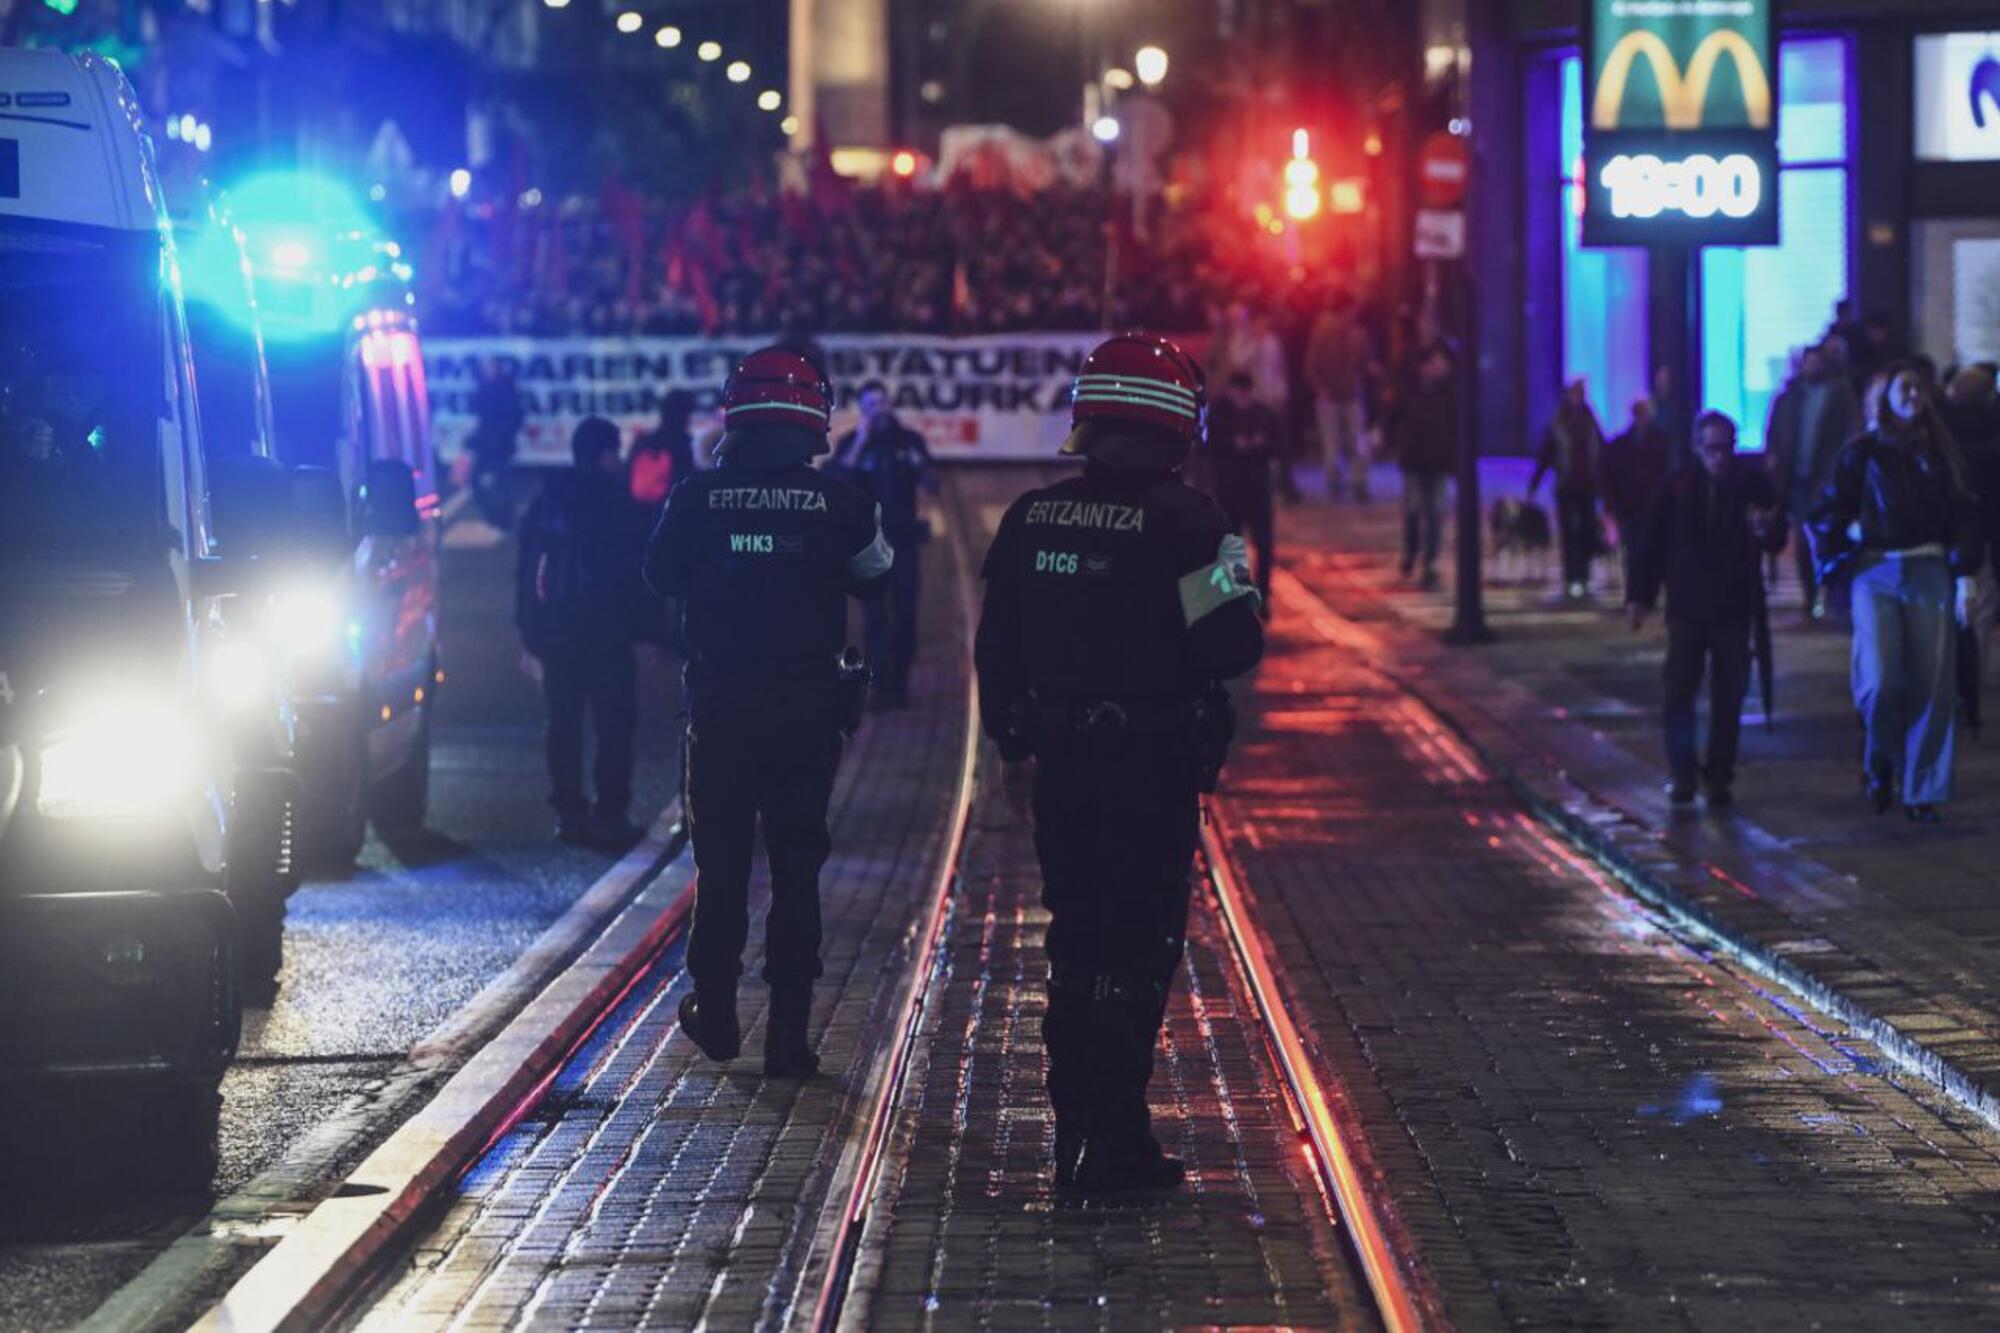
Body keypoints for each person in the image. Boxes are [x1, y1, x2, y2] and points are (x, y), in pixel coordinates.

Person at [975, 333, 1265, 1194]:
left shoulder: (1033, 517)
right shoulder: (1195, 525)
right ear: (1180, 426)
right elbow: (1234, 644)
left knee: (1078, 939)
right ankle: (1117, 1137)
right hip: (1151, 770)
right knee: (1137, 949)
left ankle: (1074, 1129)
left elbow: (996, 650)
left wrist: (1012, 747)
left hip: (1062, 769)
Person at [644, 347, 893, 1075]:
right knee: (795, 867)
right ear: (813, 420)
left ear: (736, 417)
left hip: (722, 706)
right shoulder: (846, 505)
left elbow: (658, 571)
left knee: (720, 864)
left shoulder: (695, 497)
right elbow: (877, 579)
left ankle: (715, 1008)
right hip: (807, 710)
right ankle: (789, 1035)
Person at [1808, 362, 1983, 823]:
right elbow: (1825, 510)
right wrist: (1847, 530)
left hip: (1928, 568)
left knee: (1933, 683)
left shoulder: (1941, 452)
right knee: (1880, 681)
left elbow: (1965, 514)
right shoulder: (1861, 453)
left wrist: (1966, 576)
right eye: (1905, 387)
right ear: (1883, 395)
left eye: (1920, 387)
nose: (1915, 394)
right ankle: (1881, 757)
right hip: (1876, 571)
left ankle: (1922, 789)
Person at [1626, 412, 1785, 808]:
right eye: (1712, 449)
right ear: (1699, 448)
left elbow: (1777, 530)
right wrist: (1639, 597)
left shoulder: (1749, 484)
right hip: (1688, 605)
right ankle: (1683, 773)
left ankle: (1718, 775)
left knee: (1729, 696)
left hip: (1733, 604)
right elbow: (1651, 542)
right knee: (1679, 692)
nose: (1720, 457)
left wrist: (1766, 529)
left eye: (1726, 448)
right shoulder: (1679, 486)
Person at [516, 417, 656, 847]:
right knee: (614, 726)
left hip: (557, 632)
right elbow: (637, 572)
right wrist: (649, 632)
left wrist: (528, 634)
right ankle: (610, 813)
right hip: (607, 633)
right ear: (607, 454)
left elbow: (526, 573)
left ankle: (569, 812)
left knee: (563, 723)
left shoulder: (547, 503)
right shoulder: (617, 502)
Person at [831, 380, 938, 708]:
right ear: (862, 410)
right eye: (870, 405)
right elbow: (836, 482)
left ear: (889, 404)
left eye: (881, 402)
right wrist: (859, 442)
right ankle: (880, 686)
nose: (878, 409)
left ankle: (900, 681)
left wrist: (923, 472)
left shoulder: (908, 442)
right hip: (870, 545)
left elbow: (932, 482)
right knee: (875, 618)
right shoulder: (854, 443)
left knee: (906, 614)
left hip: (903, 541)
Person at [1765, 342, 1863, 619]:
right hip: (1795, 478)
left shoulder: (1839, 395)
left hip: (1826, 477)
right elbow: (1774, 432)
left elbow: (1850, 432)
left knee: (1828, 536)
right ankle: (1811, 594)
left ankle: (1829, 592)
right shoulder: (1788, 398)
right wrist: (1773, 460)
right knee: (1803, 540)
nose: (1811, 367)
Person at [1385, 343, 1459, 589]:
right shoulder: (1410, 389)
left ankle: (1431, 562)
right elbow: (1394, 418)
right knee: (1414, 510)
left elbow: (1455, 427)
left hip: (1439, 461)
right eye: (1437, 363)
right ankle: (1412, 552)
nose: (1442, 368)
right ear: (1426, 366)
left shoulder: (1450, 391)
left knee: (1436, 514)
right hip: (1415, 460)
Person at [1200, 370, 1281, 600]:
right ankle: (1236, 593)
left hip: (1257, 488)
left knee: (1263, 543)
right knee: (1231, 544)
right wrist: (1234, 443)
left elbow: (1278, 444)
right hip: (1230, 489)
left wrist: (1258, 443)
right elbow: (1208, 447)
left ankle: (1263, 593)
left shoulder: (1262, 414)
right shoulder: (1218, 414)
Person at [1531, 380, 1607, 598]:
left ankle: (1583, 575)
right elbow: (1547, 453)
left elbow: (1601, 452)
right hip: (1566, 485)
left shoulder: (1590, 422)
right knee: (1568, 533)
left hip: (1588, 485)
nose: (1577, 397)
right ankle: (1572, 577)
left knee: (1587, 531)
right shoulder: (1559, 422)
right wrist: (1535, 483)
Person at [1304, 292, 1374, 501]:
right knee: (1354, 442)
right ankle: (1356, 483)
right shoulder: (1356, 335)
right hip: (1345, 394)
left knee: (1333, 443)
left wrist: (1320, 388)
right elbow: (1365, 365)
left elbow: (1310, 366)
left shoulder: (1322, 332)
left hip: (1337, 395)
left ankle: (1338, 484)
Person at [1602, 398, 1670, 590]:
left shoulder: (1660, 442)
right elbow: (1611, 476)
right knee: (1632, 550)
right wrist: (1611, 505)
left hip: (1651, 505)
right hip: (1629, 506)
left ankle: (1646, 589)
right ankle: (1635, 591)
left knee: (1650, 549)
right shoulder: (1621, 445)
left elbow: (1666, 473)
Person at [468, 359, 526, 530]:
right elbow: (479, 414)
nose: (488, 370)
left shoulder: (506, 389)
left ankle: (506, 520)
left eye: (491, 367)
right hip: (486, 443)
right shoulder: (483, 387)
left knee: (503, 483)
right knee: (477, 482)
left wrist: (502, 435)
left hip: (501, 444)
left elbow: (515, 416)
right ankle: (497, 517)